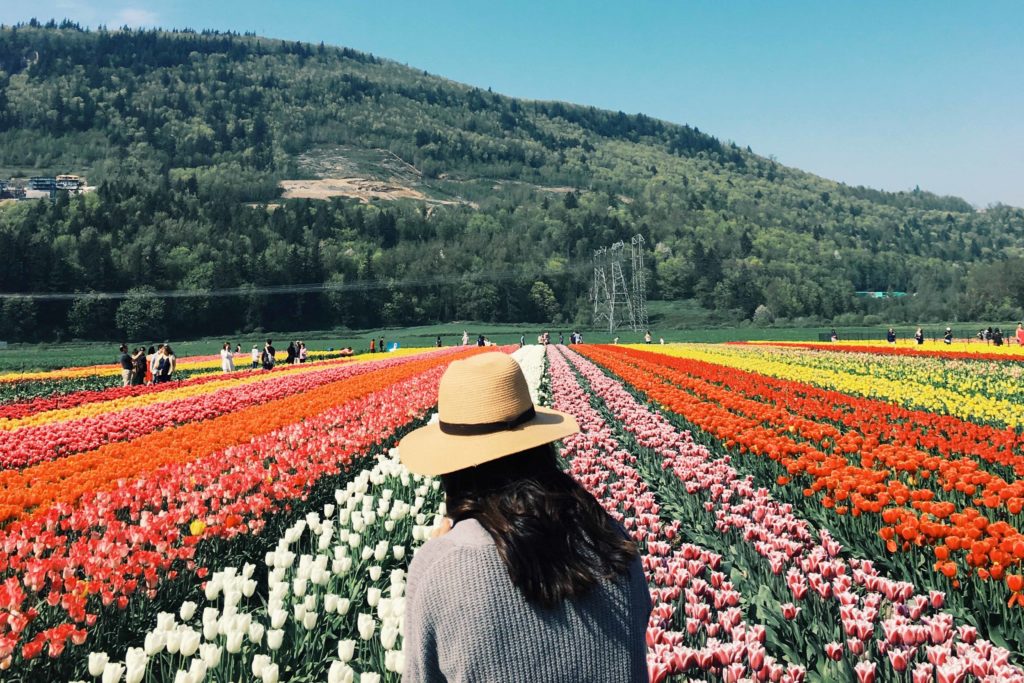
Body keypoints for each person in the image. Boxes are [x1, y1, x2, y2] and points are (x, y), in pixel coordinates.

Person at [398, 353, 649, 682]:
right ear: (539, 446)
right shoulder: (611, 539)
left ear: (453, 467)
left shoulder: (441, 568)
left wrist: (442, 555)